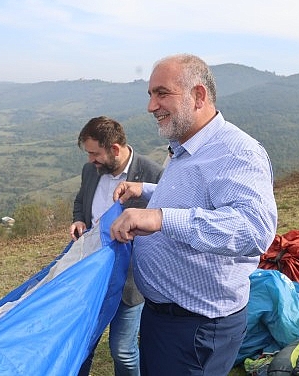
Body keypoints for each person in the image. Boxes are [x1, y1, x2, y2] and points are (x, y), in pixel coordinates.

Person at [110, 54, 278, 376]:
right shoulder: (186, 144)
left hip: (195, 328)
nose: (151, 106)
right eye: (150, 95)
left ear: (198, 96)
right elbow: (196, 194)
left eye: (162, 93)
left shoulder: (237, 152)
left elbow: (254, 229)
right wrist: (144, 190)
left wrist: (160, 218)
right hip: (167, 317)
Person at [70, 116, 163, 376]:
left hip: (131, 281)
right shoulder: (91, 171)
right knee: (83, 343)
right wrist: (78, 220)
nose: (91, 160)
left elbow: (166, 224)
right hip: (92, 277)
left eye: (94, 153)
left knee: (122, 349)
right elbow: (81, 201)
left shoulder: (153, 174)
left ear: (114, 149)